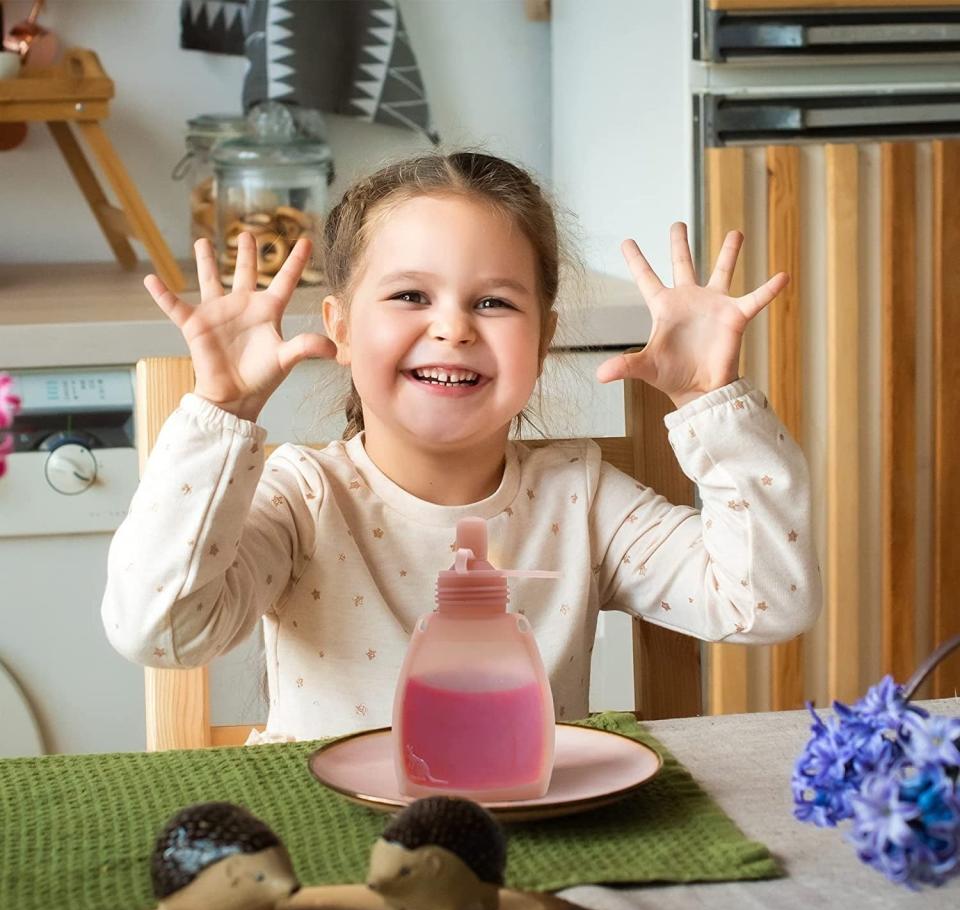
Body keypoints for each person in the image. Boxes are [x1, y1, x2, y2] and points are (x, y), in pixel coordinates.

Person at [102, 151, 821, 742]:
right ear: (342, 329)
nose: (453, 328)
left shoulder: (582, 496)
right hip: (334, 851)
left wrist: (710, 405)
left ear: (541, 342)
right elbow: (160, 632)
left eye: (493, 302)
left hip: (531, 839)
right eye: (411, 296)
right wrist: (220, 413)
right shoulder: (302, 498)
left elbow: (766, 603)